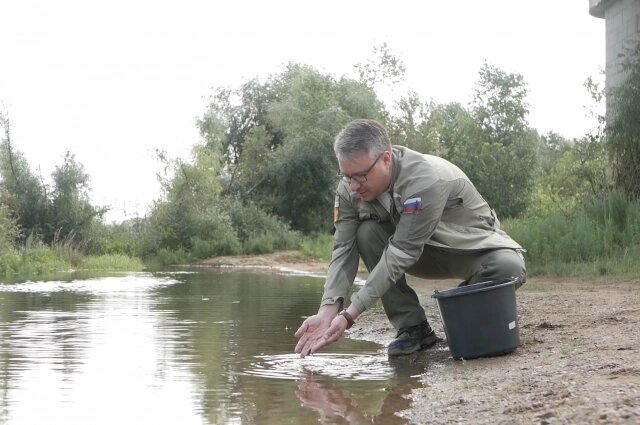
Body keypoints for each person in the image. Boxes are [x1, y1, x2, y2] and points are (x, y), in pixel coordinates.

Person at [295, 118, 526, 357]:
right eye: (346, 176)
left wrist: (349, 315)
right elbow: (343, 249)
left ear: (385, 159)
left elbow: (401, 252)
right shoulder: (349, 188)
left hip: (464, 248)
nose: (353, 186)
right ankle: (413, 328)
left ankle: (462, 312)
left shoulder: (424, 180)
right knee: (366, 233)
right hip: (417, 251)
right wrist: (327, 311)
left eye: (360, 176)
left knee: (508, 266)